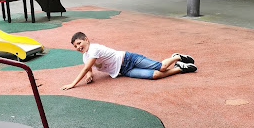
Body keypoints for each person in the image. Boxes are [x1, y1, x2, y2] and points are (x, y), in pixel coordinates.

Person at [62, 32, 196, 90]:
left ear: (86, 39)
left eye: (79, 43)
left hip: (129, 59)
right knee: (155, 75)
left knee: (161, 67)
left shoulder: (94, 48)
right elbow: (89, 69)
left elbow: (86, 67)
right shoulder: (86, 56)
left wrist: (73, 84)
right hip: (124, 71)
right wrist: (90, 75)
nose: (78, 47)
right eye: (75, 46)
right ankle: (180, 68)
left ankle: (177, 56)